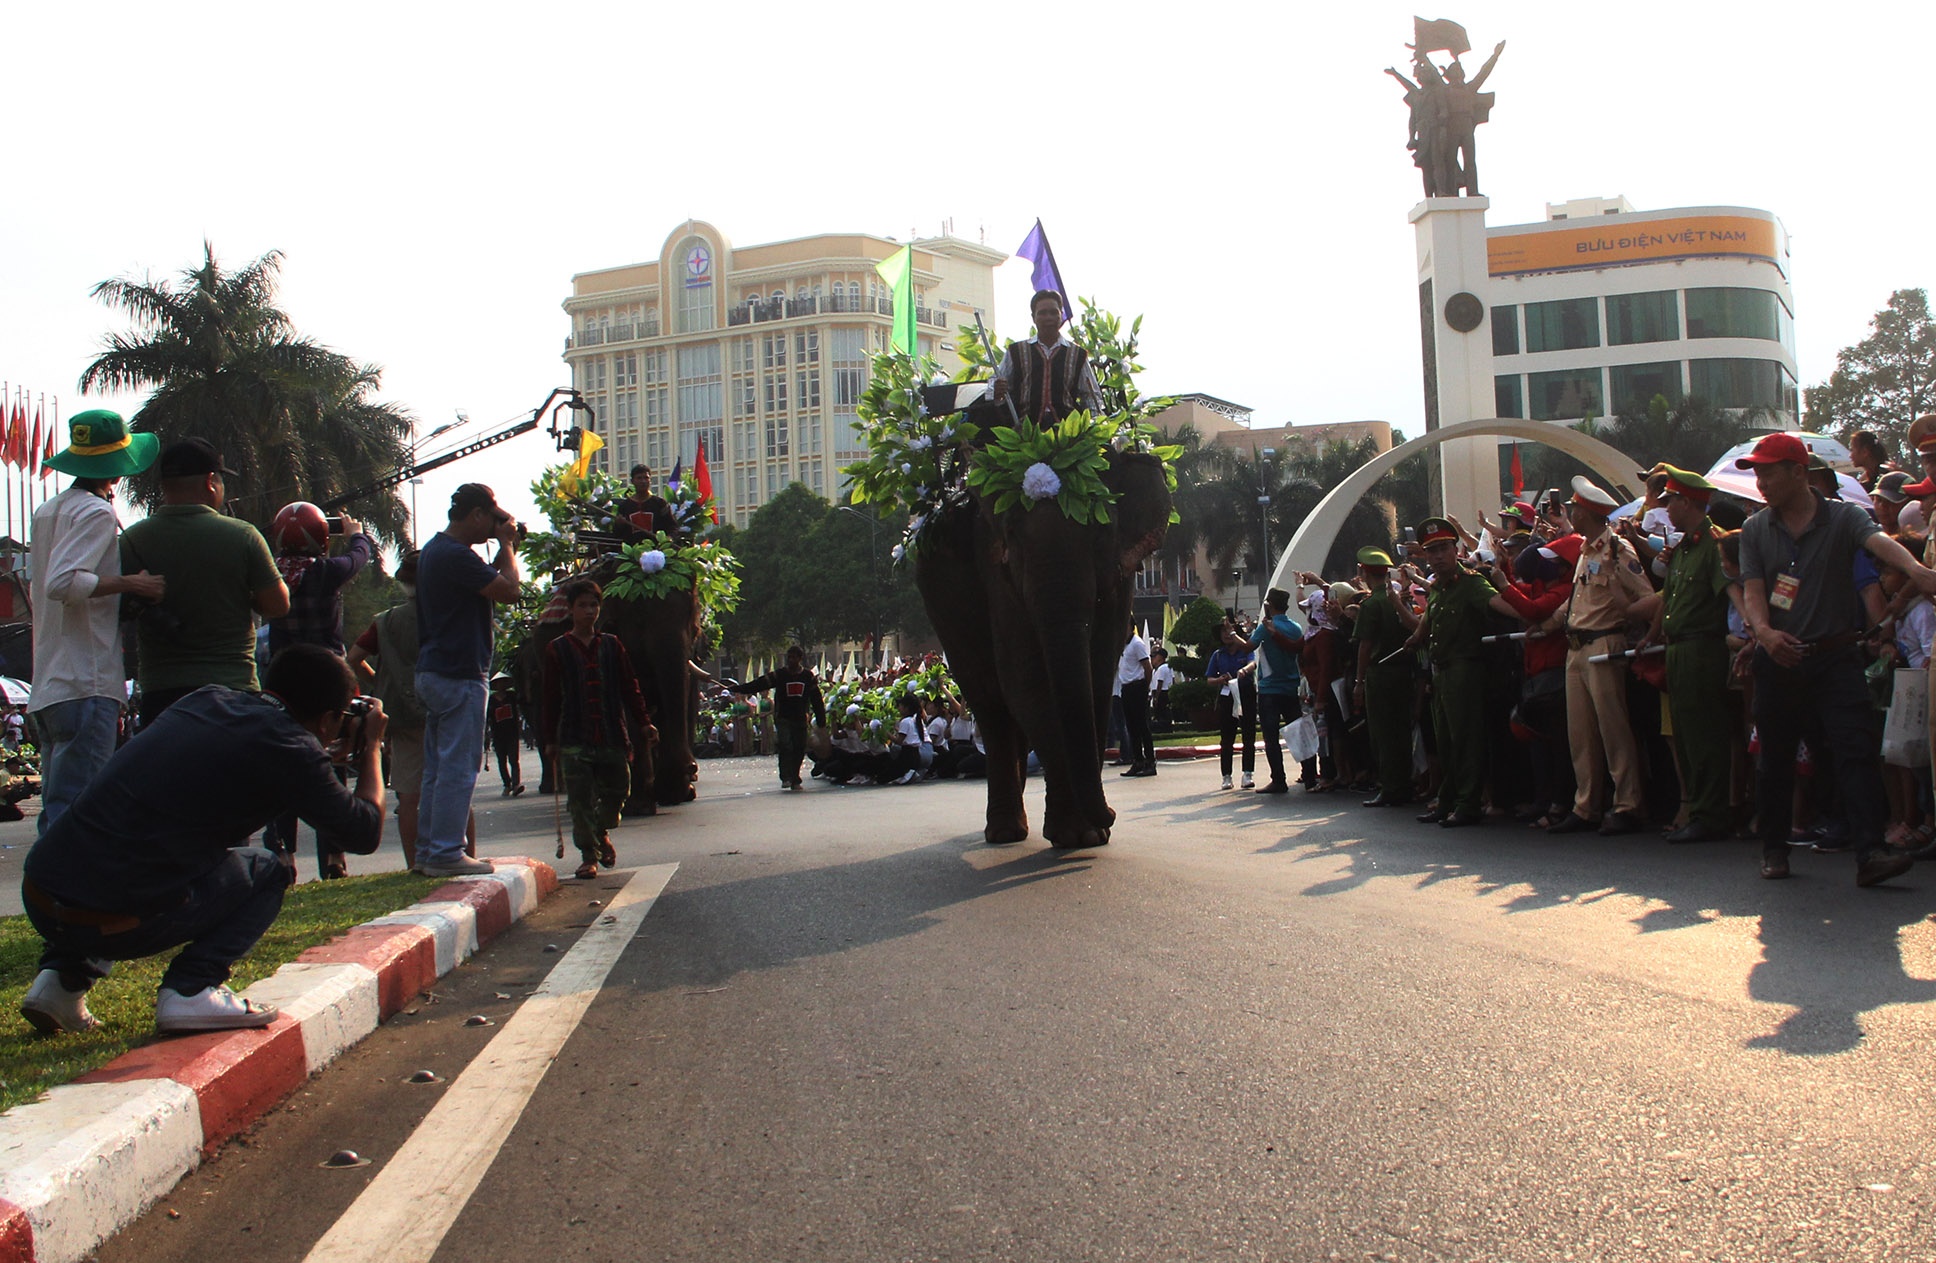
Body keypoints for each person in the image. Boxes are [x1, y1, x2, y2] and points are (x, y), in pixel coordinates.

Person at [18, 645, 387, 1035]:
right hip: (112, 921)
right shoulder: (292, 749)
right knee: (268, 870)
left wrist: (321, 753)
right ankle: (191, 988)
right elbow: (364, 832)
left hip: (42, 895)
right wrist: (372, 748)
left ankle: (60, 983)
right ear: (329, 719)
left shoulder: (206, 700)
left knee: (126, 844)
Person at [1736, 431, 1936, 885]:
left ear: (1798, 473)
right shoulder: (1755, 529)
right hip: (1779, 658)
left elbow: (1880, 543)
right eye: (1757, 474)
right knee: (1775, 759)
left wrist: (1916, 569)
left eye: (1768, 473)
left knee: (1855, 750)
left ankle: (1870, 853)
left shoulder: (1844, 517)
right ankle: (1774, 849)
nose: (1761, 483)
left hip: (1835, 656)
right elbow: (1753, 592)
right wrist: (1765, 634)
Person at [29, 410, 163, 836]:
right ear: (117, 470)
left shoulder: (48, 510)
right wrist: (132, 583)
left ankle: (51, 877)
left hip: (51, 684)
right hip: (85, 681)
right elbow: (63, 582)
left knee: (57, 811)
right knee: (80, 813)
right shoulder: (95, 513)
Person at [119, 439, 290, 726]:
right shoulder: (243, 536)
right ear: (211, 482)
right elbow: (278, 605)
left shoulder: (132, 540)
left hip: (161, 694)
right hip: (232, 690)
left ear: (164, 485)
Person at [414, 484, 522, 878]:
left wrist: (502, 543)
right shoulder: (456, 555)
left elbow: (489, 583)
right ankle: (446, 851)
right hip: (458, 671)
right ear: (476, 514)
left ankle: (429, 850)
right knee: (459, 767)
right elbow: (509, 591)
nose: (494, 526)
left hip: (435, 669)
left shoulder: (434, 550)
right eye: (491, 519)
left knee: (438, 769)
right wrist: (507, 544)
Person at [264, 501, 374, 880]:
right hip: (328, 677)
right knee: (332, 760)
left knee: (281, 764)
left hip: (283, 678)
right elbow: (360, 556)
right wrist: (355, 532)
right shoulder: (326, 572)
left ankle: (283, 854)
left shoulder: (270, 572)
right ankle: (334, 855)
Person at [1636, 468, 1741, 843]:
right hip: (1678, 648)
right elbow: (1669, 599)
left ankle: (1712, 814)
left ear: (1687, 502)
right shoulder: (1682, 549)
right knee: (1685, 734)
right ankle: (1698, 809)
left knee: (1705, 733)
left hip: (1703, 648)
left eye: (1671, 502)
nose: (1666, 509)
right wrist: (1653, 634)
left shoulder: (1714, 545)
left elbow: (1731, 593)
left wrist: (1750, 629)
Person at [348, 549, 471, 868]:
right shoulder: (452, 616)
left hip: (403, 715)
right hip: (447, 709)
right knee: (454, 787)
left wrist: (379, 680)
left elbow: (353, 658)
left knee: (409, 796)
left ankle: (416, 864)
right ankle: (464, 856)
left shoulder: (385, 621)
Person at [1546, 476, 1652, 837]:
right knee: (1581, 734)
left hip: (1605, 644)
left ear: (1585, 512)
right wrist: (1549, 623)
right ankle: (1586, 805)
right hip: (1577, 647)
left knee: (1613, 730)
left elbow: (1644, 596)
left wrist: (1628, 620)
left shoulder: (1617, 550)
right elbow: (1577, 600)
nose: (1570, 512)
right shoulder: (1586, 551)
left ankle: (1628, 804)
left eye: (1574, 508)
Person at [540, 579, 653, 879]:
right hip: (574, 738)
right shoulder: (557, 649)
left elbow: (630, 687)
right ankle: (588, 855)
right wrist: (550, 740)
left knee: (619, 791)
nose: (589, 611)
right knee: (579, 800)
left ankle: (602, 830)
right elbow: (550, 698)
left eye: (594, 605)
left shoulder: (612, 646)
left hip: (612, 734)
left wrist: (643, 721)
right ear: (571, 609)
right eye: (583, 605)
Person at [1404, 518, 1498, 826]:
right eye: (1431, 551)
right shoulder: (1438, 589)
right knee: (1445, 742)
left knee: (1465, 740)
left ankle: (1468, 803)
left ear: (1456, 550)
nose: (1438, 557)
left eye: (1443, 549)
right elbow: (1428, 620)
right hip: (1441, 672)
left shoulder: (1471, 583)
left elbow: (1498, 604)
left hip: (1465, 670)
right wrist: (1416, 637)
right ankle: (1448, 800)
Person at [1351, 548, 1414, 807]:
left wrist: (1359, 682)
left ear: (1364, 572)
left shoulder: (1371, 604)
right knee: (1402, 730)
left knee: (1383, 733)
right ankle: (1405, 784)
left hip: (1380, 673)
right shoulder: (1397, 600)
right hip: (1403, 671)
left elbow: (1365, 645)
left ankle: (1390, 786)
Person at [989, 289, 1103, 425]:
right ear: (1033, 317)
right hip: (1025, 430)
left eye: (1054, 312)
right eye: (1042, 313)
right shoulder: (1016, 351)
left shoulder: (1078, 355)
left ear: (1061, 315)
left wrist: (1096, 423)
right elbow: (994, 385)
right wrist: (996, 390)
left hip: (1066, 431)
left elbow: (1091, 396)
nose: (1048, 317)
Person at [731, 645, 828, 790]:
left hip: (800, 718)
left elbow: (816, 699)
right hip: (783, 717)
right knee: (785, 745)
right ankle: (786, 777)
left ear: (800, 658)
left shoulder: (808, 677)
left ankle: (795, 777)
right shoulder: (780, 675)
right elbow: (760, 683)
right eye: (789, 657)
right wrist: (740, 689)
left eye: (794, 657)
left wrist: (821, 720)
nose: (790, 660)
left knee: (799, 747)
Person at [1249, 587, 1305, 795]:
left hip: (1270, 688)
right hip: (1290, 686)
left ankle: (1278, 779)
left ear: (1269, 605)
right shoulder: (1295, 627)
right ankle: (1309, 774)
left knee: (1271, 736)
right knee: (1297, 732)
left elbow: (1248, 647)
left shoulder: (1266, 627)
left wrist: (1231, 634)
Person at [1207, 615, 1257, 790]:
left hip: (1246, 693)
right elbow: (1209, 679)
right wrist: (1220, 680)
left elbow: (1253, 663)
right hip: (1227, 695)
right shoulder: (1218, 655)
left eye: (1229, 630)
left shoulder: (1245, 649)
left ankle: (1248, 773)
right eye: (1223, 631)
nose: (1226, 634)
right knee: (1227, 737)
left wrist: (1244, 671)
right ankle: (1226, 775)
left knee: (1248, 734)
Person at [1116, 621, 1157, 778]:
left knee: (1142, 727)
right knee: (1131, 727)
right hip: (1126, 687)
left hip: (1137, 686)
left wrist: (1145, 687)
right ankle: (1138, 761)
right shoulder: (1122, 645)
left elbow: (1148, 667)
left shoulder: (1137, 643)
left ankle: (1150, 762)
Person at [486, 673, 525, 796]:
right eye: (499, 683)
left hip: (512, 733)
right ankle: (507, 784)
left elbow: (519, 707)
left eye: (503, 682)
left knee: (514, 760)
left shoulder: (512, 696)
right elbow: (487, 718)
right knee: (501, 761)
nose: (501, 685)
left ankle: (516, 784)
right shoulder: (491, 700)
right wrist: (486, 736)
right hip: (498, 735)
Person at [613, 463, 677, 538]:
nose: (643, 481)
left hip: (656, 545)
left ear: (650, 480)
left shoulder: (660, 504)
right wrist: (619, 524)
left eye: (646, 478)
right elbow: (617, 534)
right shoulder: (624, 506)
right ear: (632, 481)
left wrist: (669, 538)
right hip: (632, 545)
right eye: (639, 478)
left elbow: (672, 527)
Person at [1150, 647, 1174, 733]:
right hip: (1160, 692)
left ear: (1160, 657)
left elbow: (1160, 683)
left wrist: (1156, 697)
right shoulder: (1157, 669)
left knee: (1162, 711)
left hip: (1162, 692)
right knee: (1161, 712)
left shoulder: (1163, 668)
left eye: (1155, 656)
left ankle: (1164, 728)